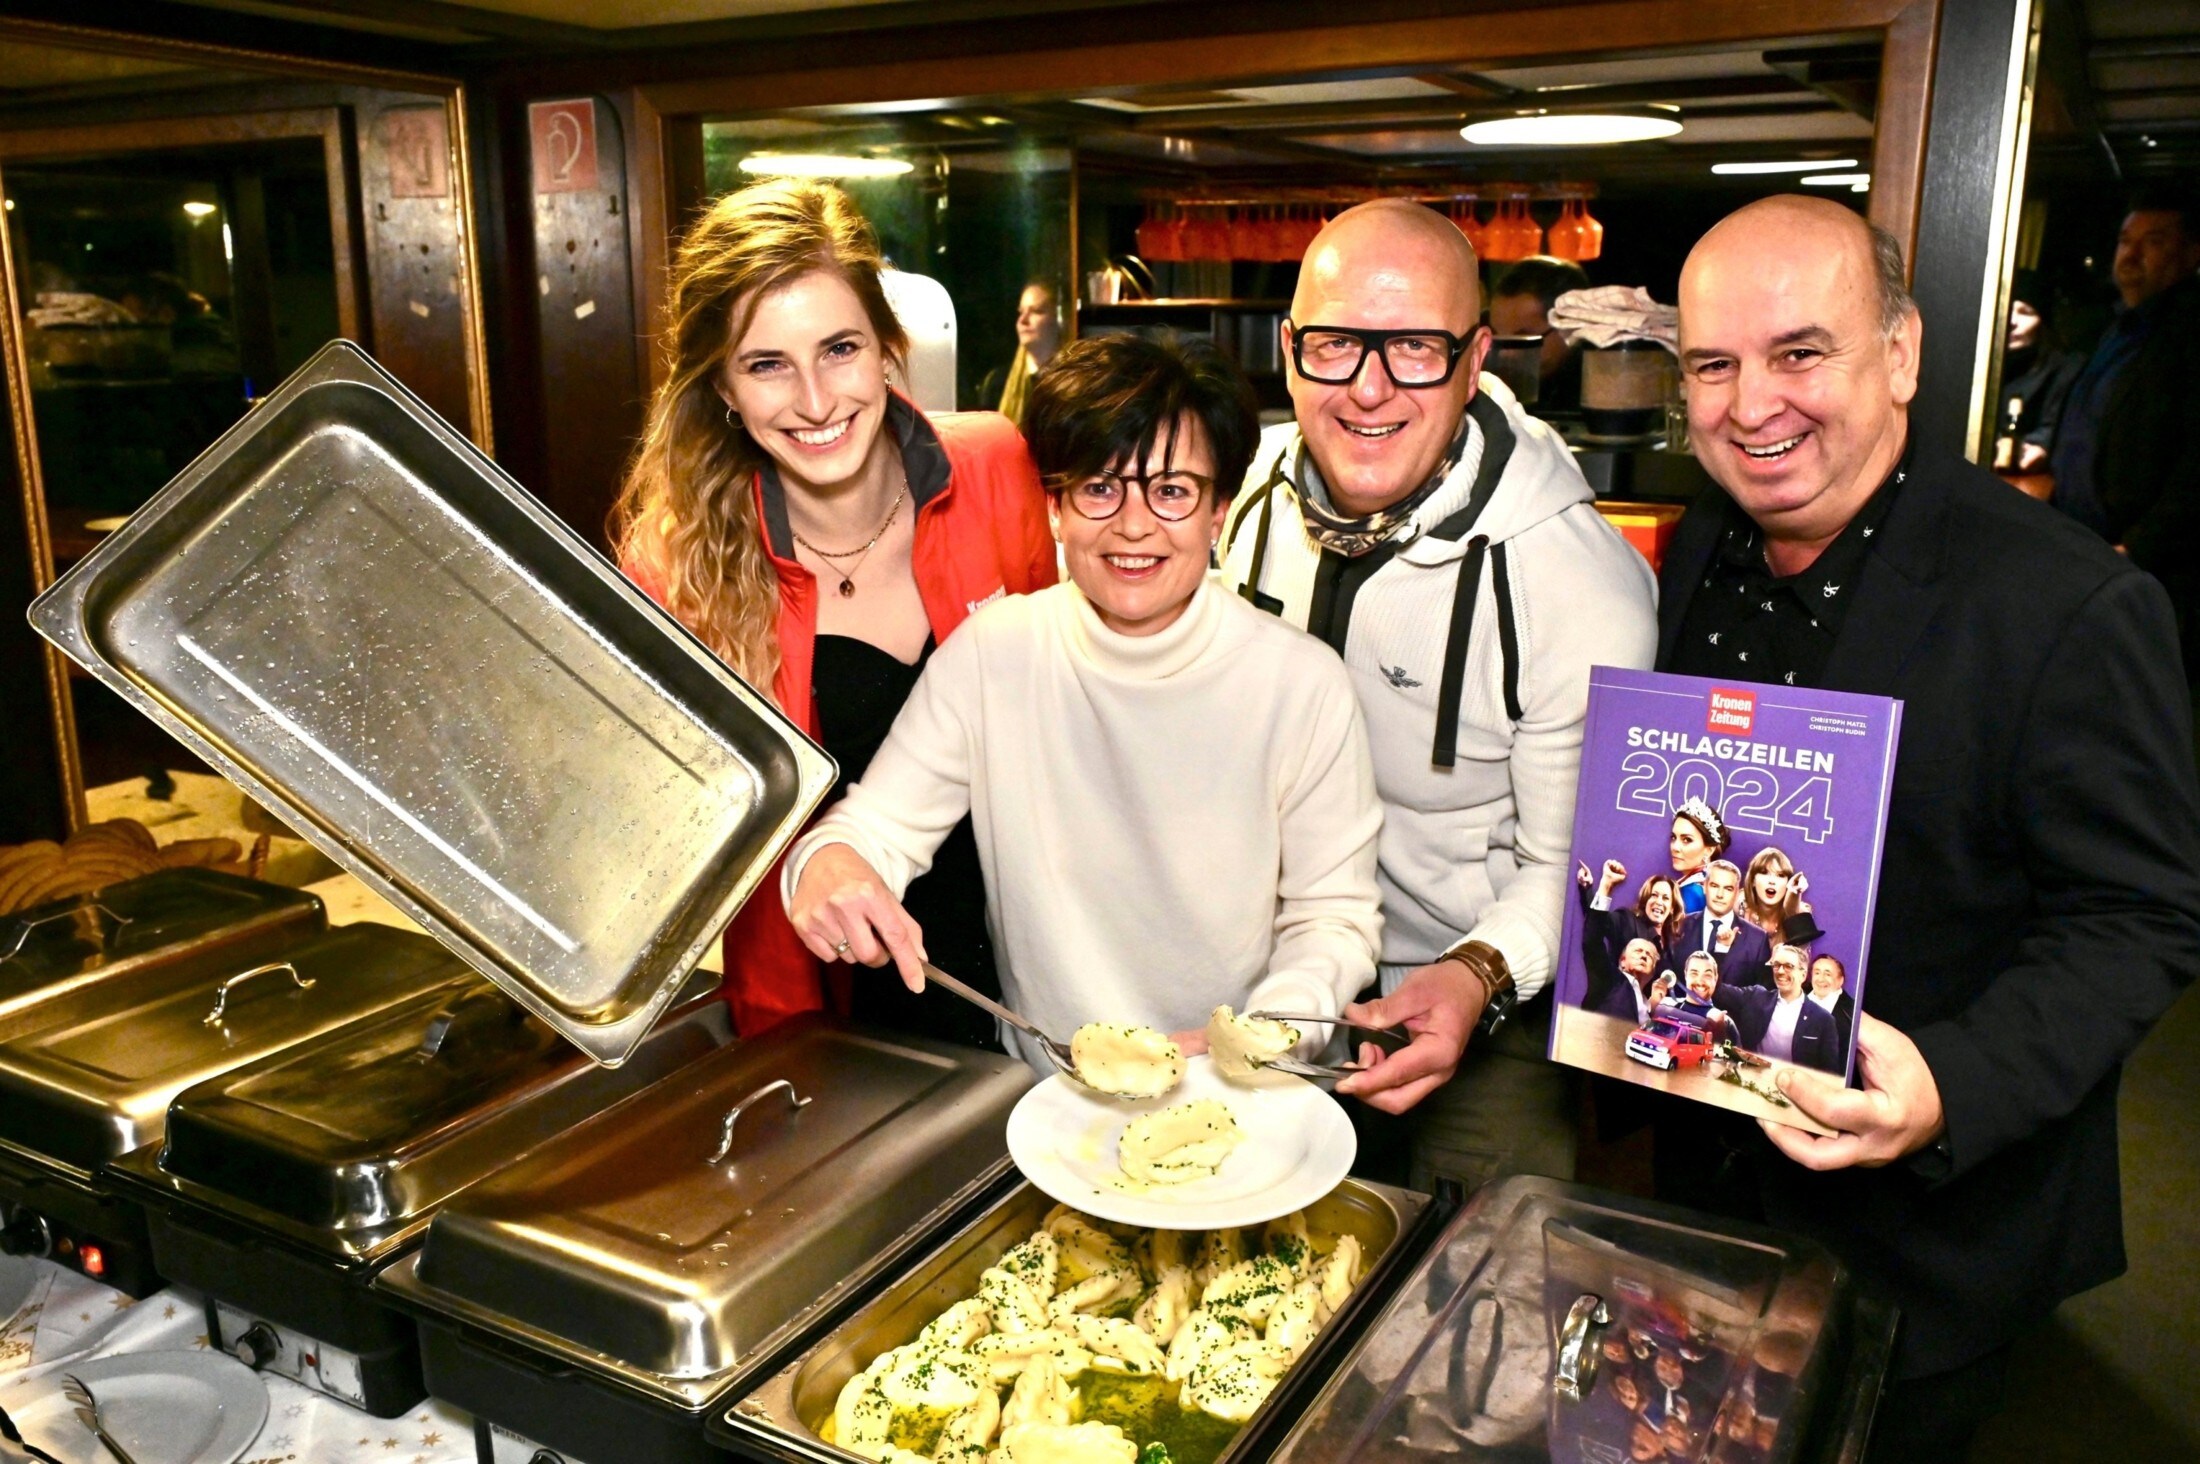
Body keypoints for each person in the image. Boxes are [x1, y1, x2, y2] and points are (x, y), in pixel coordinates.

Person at [1664, 192, 2200, 1458]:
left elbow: (2141, 916)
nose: (1752, 405)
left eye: (1800, 353)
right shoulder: (1700, 551)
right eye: (1711, 365)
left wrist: (1952, 1085)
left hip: (1923, 1248)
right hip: (1709, 1199)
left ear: (1898, 353)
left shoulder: (2069, 604)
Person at [782, 333, 1382, 1072]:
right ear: (1056, 507)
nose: (1133, 526)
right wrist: (827, 861)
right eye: (1100, 488)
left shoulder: (1301, 685)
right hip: (1051, 1100)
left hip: (1250, 1100)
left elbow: (1336, 919)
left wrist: (1253, 1040)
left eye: (1171, 491)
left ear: (1219, 509)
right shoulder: (991, 655)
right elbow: (878, 827)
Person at [1216, 198, 1658, 1192]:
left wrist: (1473, 977)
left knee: (1471, 1300)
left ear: (1475, 359)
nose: (1368, 390)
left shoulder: (1574, 580)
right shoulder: (1232, 498)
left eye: (1414, 347)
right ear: (1288, 351)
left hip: (1472, 991)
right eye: (1334, 345)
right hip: (1263, 977)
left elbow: (1582, 866)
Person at [611, 178, 1056, 1047]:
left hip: (1024, 977)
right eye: (767, 364)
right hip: (819, 1013)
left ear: (888, 349)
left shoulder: (998, 469)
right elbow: (672, 841)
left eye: (840, 349)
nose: (815, 402)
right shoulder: (675, 567)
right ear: (724, 391)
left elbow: (1062, 717)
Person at [2047, 188, 2200, 670]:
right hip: (2087, 542)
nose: (2130, 255)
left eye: (2152, 242)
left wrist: (2138, 544)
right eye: (2124, 240)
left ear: (2191, 254)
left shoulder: (2189, 332)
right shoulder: (2117, 326)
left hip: (2146, 563)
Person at [1990, 270, 2078, 474]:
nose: (2011, 321)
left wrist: (2040, 446)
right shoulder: (1981, 367)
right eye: (2007, 309)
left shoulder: (2062, 369)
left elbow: (2056, 425)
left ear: (2042, 323)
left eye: (2025, 312)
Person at [1489, 254, 1592, 409]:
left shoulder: (1601, 387)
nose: (1505, 354)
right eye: (1496, 334)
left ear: (1571, 325)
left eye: (1523, 337)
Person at [977, 281, 1062, 427]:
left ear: (1058, 319)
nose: (1023, 320)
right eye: (1021, 312)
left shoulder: (1072, 382)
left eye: (1036, 311)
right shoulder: (997, 384)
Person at [1671, 858, 1771, 983]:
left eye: (1728, 889)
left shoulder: (1757, 939)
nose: (1720, 894)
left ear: (1736, 892)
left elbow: (1760, 993)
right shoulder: (1679, 926)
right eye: (1714, 886)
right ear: (1704, 887)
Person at [1665, 799, 1728, 915]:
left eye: (1687, 840)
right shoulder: (1701, 886)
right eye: (1673, 838)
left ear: (1709, 850)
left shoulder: (1693, 892)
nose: (1675, 847)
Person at [1808, 954, 1855, 1074]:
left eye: (1827, 974)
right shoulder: (1797, 996)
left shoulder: (1850, 1013)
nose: (1821, 979)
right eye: (1817, 973)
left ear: (1840, 981)